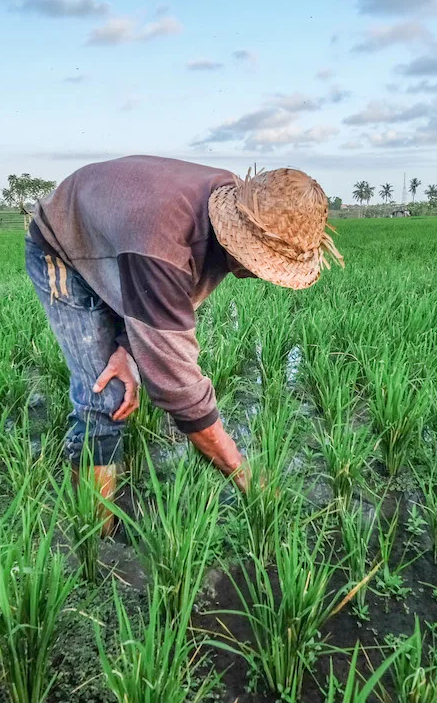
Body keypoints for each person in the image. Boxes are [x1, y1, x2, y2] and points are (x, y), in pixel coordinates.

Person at [25, 155, 342, 532]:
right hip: (65, 246)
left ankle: (109, 502)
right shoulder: (166, 238)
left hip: (126, 244)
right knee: (105, 396)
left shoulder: (225, 207)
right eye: (259, 262)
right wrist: (243, 476)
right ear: (234, 231)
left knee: (127, 366)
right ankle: (96, 537)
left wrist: (127, 349)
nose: (257, 274)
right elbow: (179, 389)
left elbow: (163, 302)